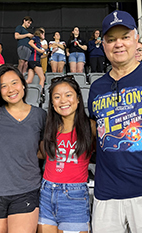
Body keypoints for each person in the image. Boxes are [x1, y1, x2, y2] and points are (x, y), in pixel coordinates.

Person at [88, 10, 142, 233]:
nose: (118, 44)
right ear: (104, 45)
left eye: (125, 37)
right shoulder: (96, 88)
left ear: (136, 39)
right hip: (107, 196)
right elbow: (95, 135)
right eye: (111, 39)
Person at [0, 64, 46, 233]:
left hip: (26, 190)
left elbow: (43, 152)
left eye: (14, 83)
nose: (10, 89)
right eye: (4, 86)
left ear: (23, 84)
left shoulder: (40, 116)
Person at [38, 75, 95, 233]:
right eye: (57, 97)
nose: (63, 100)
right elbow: (40, 153)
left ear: (77, 99)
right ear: (52, 103)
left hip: (75, 195)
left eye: (68, 95)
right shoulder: (49, 127)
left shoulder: (90, 127)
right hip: (46, 192)